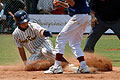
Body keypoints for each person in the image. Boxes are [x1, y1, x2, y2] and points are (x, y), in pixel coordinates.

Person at [44, 0, 90, 74]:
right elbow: (72, 4)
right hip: (84, 16)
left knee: (60, 39)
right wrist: (60, 3)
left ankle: (57, 66)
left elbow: (72, 3)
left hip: (78, 16)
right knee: (75, 43)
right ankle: (83, 66)